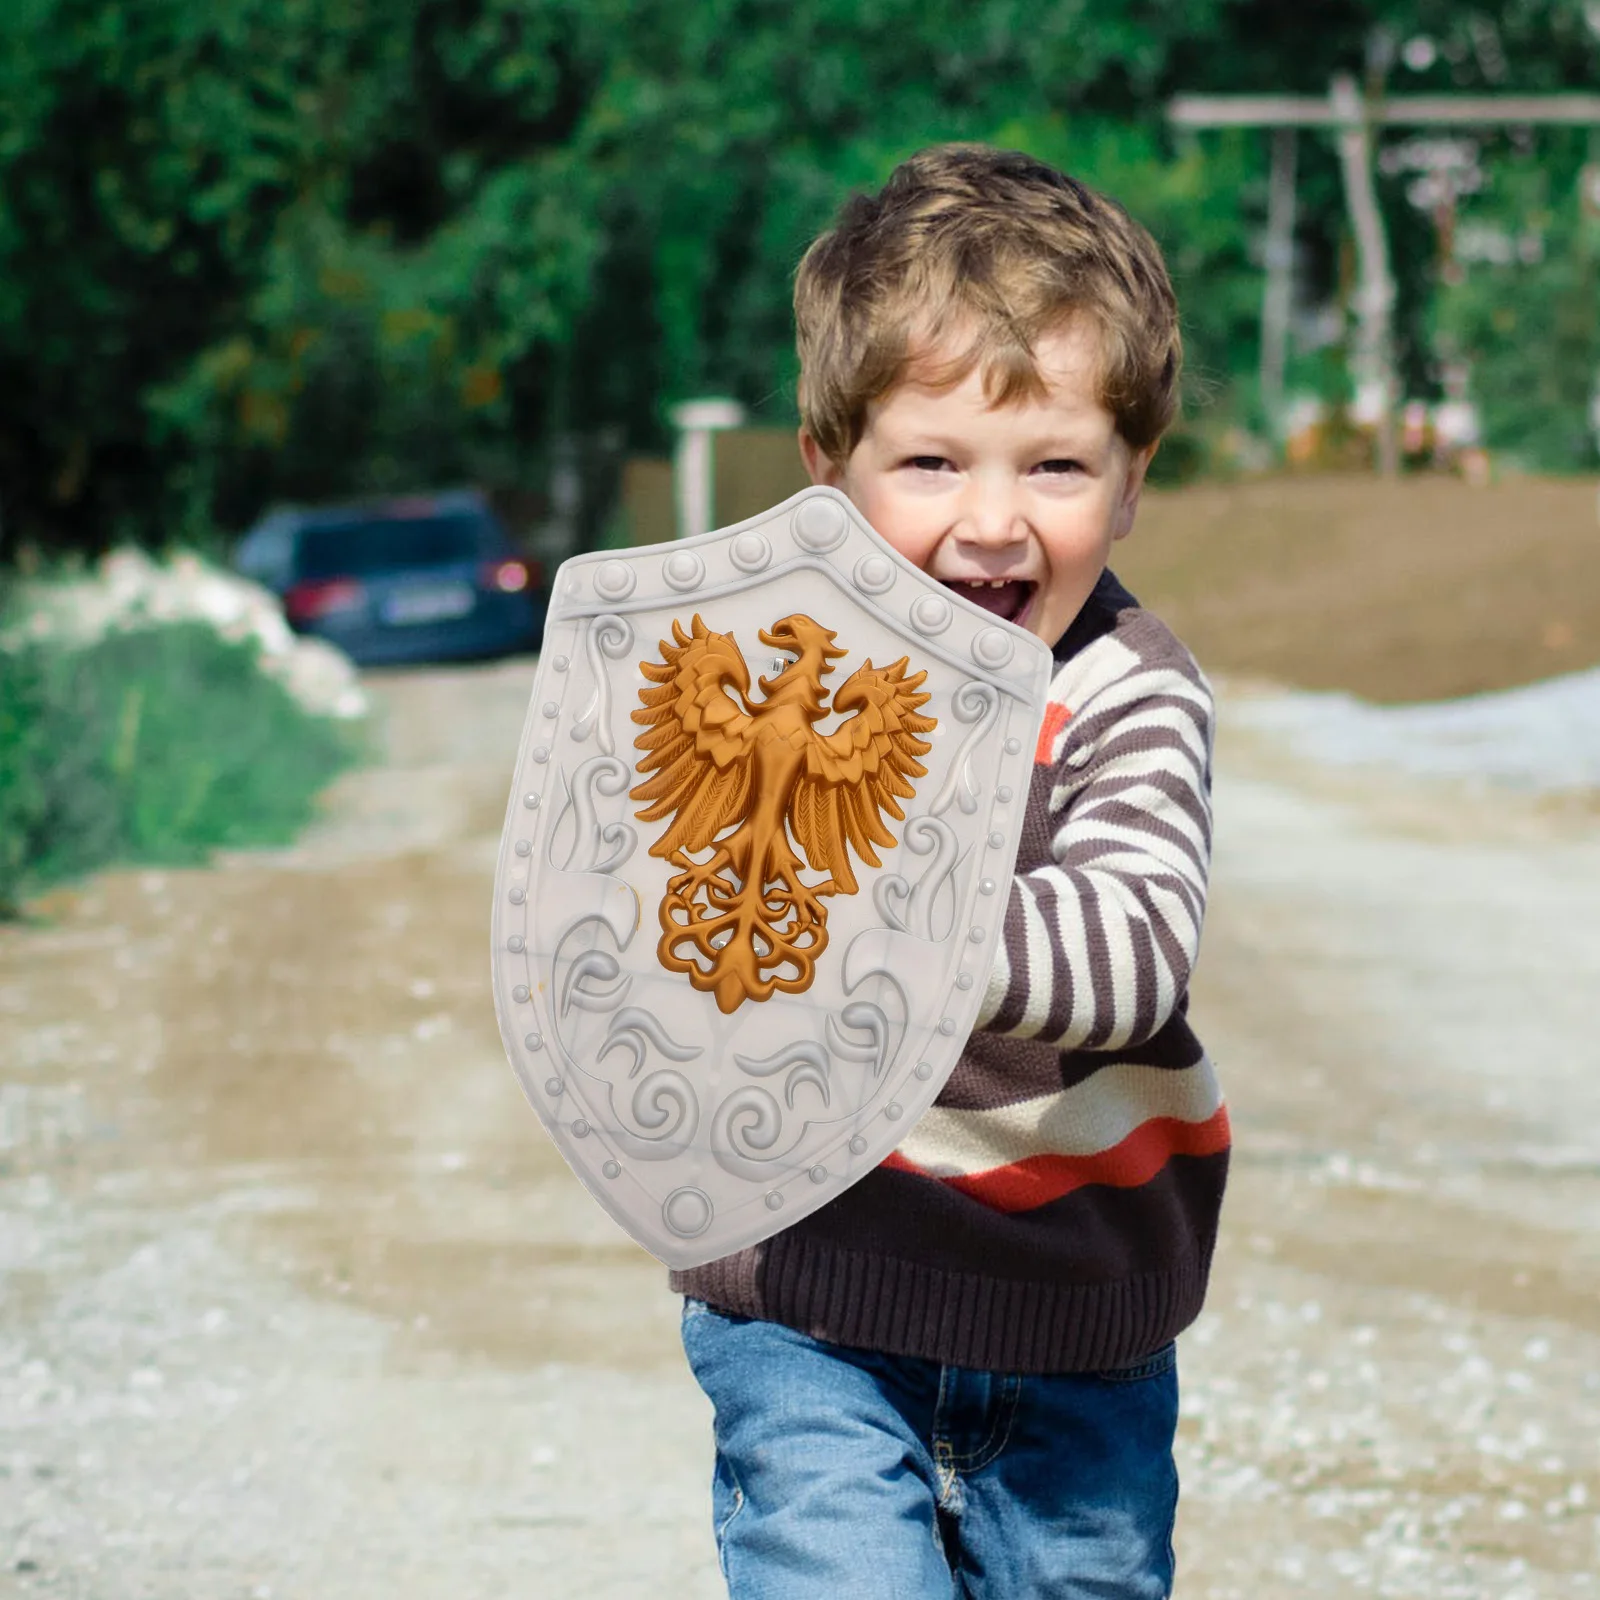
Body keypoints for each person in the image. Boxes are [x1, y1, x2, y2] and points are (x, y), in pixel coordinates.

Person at [673, 143, 1228, 1599]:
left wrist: (881, 916)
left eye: (1055, 465)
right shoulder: (774, 681)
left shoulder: (1125, 695)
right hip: (811, 1299)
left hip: (1074, 1320)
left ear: (1132, 480)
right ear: (829, 470)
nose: (992, 521)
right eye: (931, 461)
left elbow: (1131, 952)